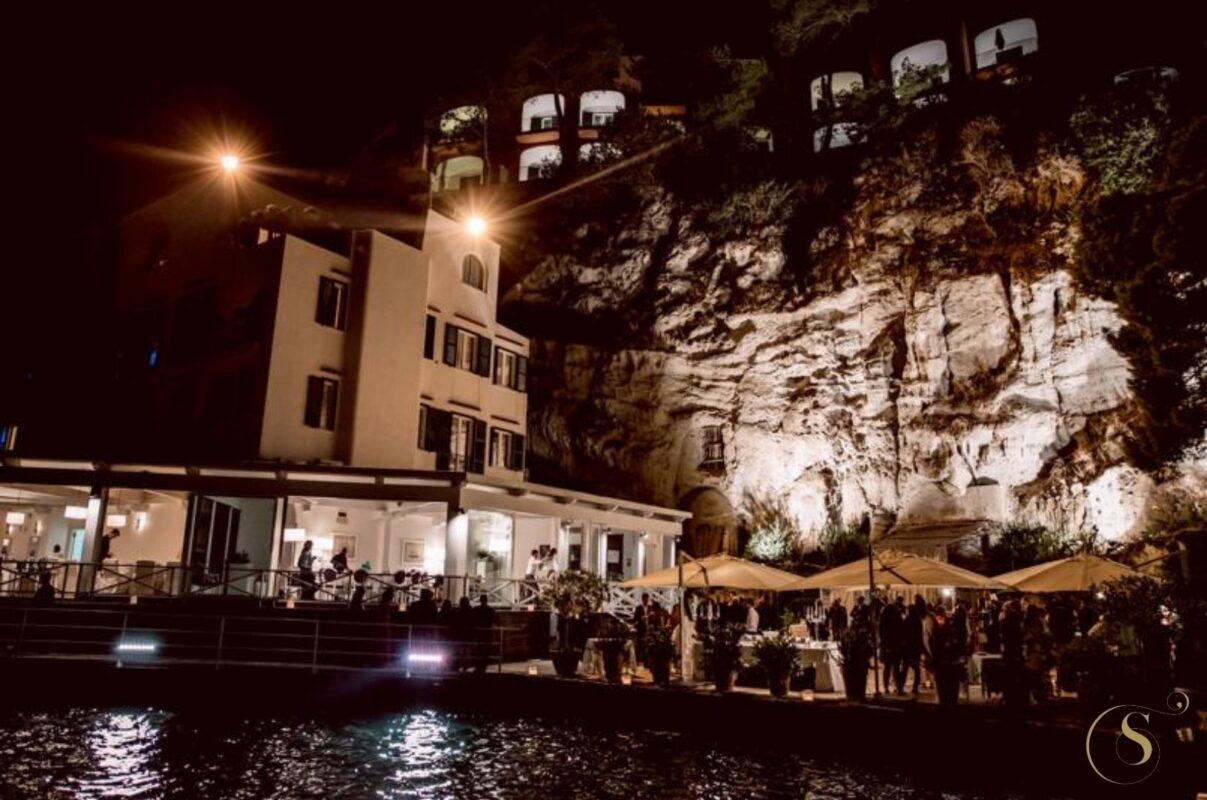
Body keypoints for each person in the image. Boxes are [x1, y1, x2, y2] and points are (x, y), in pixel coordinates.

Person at [925, 604, 966, 706]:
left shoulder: (949, 627)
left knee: (946, 689)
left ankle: (945, 702)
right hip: (945, 662)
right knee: (947, 689)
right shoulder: (946, 628)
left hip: (946, 662)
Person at [879, 596, 906, 694]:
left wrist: (884, 645)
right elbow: (901, 632)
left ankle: (886, 687)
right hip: (896, 646)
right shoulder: (898, 620)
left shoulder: (883, 622)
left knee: (887, 667)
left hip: (887, 646)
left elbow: (881, 633)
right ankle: (898, 687)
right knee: (896, 667)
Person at [902, 595, 927, 694]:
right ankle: (915, 687)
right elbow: (920, 635)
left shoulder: (906, 620)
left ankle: (901, 686)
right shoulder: (918, 621)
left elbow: (903, 634)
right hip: (915, 647)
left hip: (907, 648)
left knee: (905, 668)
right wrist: (921, 647)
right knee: (916, 669)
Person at [472, 594, 496, 673]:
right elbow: (494, 620)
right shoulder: (490, 610)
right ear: (486, 600)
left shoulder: (476, 610)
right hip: (487, 633)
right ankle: (483, 667)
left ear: (480, 600)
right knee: (486, 651)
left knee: (479, 650)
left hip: (480, 633)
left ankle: (479, 666)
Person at [634, 593, 652, 664]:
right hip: (641, 629)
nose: (646, 600)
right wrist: (641, 618)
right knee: (639, 645)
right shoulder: (638, 608)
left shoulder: (651, 608)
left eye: (647, 599)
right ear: (642, 599)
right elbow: (635, 619)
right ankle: (638, 660)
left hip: (649, 629)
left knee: (648, 645)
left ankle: (646, 660)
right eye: (645, 599)